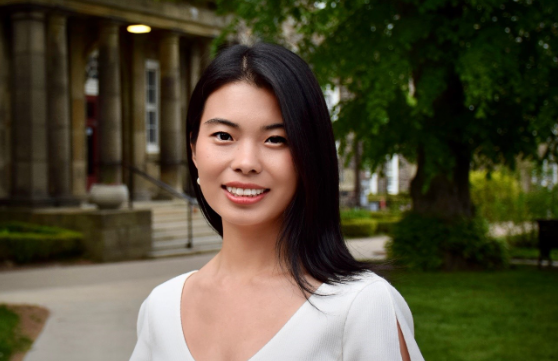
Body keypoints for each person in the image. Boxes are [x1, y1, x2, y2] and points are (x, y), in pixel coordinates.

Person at [129, 43, 424, 361]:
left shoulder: (361, 305)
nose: (246, 162)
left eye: (275, 140)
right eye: (224, 136)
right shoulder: (161, 308)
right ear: (193, 149)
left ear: (308, 156)